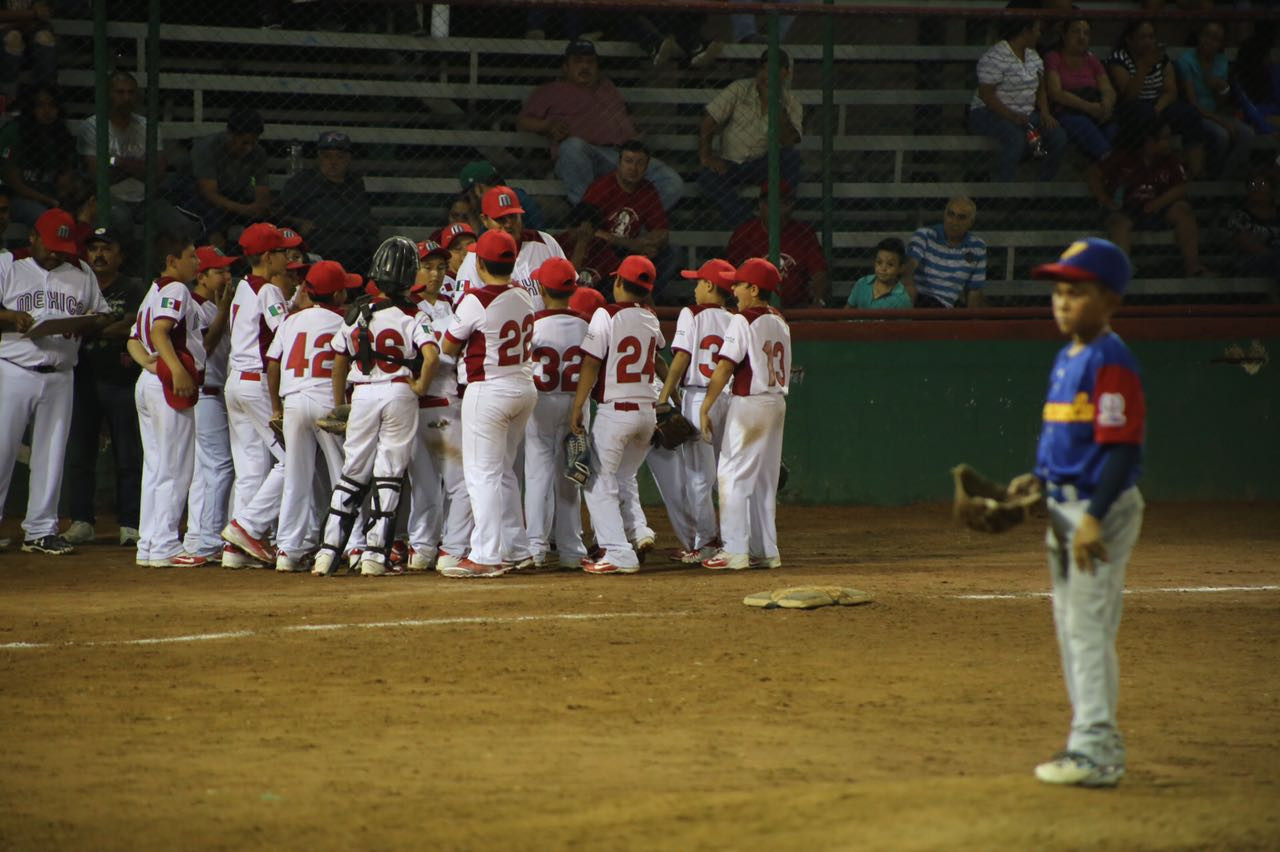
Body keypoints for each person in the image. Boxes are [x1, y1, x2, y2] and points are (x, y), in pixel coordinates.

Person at [1018, 237, 1146, 788]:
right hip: (1066, 508)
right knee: (1074, 630)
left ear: (1110, 299)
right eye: (1059, 291)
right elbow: (1063, 436)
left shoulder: (1109, 358)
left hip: (1099, 508)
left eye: (1078, 292)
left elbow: (1123, 448)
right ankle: (1091, 741)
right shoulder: (1069, 355)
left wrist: (1092, 515)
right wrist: (1037, 481)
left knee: (1088, 630)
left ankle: (1096, 750)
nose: (1063, 302)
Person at [311, 239, 435, 577]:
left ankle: (327, 554)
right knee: (390, 473)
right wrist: (422, 385)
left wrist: (341, 404)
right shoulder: (415, 314)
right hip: (399, 392)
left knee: (352, 472)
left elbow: (339, 360)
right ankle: (374, 556)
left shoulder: (356, 313)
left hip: (363, 394)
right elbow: (431, 355)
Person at [426, 229, 538, 578]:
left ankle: (487, 555)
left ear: (480, 262)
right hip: (522, 388)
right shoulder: (524, 296)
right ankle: (518, 550)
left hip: (489, 391)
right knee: (504, 472)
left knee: (482, 474)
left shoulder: (475, 299)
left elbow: (447, 347)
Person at [0, 209, 111, 556]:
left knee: (52, 453)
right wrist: (9, 316)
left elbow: (102, 313)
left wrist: (83, 323)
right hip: (14, 368)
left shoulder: (80, 271)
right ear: (32, 236)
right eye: (49, 245)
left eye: (61, 247)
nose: (55, 253)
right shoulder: (8, 264)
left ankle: (41, 530)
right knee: (1, 451)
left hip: (62, 371)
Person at [569, 255, 666, 575]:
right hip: (646, 414)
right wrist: (671, 399)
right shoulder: (650, 318)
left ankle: (617, 551)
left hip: (616, 413)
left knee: (598, 482)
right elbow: (659, 360)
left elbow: (592, 363)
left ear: (619, 283)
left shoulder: (604, 314)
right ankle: (638, 532)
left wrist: (577, 405)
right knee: (624, 477)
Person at [697, 258, 790, 572]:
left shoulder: (743, 319)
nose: (732, 288)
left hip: (750, 403)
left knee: (732, 475)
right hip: (776, 404)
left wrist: (705, 405)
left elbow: (725, 367)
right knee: (764, 481)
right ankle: (766, 551)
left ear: (753, 288)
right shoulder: (779, 319)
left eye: (738, 284)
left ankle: (735, 550)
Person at [517, 39, 684, 211]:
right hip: (583, 154)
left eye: (590, 62)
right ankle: (589, 218)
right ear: (565, 67)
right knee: (572, 146)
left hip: (619, 155)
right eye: (578, 62)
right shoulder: (551, 90)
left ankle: (625, 222)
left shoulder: (607, 86)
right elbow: (524, 120)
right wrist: (548, 125)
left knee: (672, 181)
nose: (585, 67)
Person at [124, 233, 209, 568]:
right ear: (173, 260)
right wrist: (174, 370)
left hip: (150, 382)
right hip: (166, 385)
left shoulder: (153, 290)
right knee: (175, 467)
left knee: (157, 466)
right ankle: (164, 546)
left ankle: (149, 543)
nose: (197, 262)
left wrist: (150, 363)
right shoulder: (176, 288)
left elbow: (133, 338)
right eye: (191, 256)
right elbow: (161, 330)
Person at [61, 226, 149, 547]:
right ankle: (82, 520)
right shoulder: (76, 285)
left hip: (121, 379)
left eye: (106, 248)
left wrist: (92, 326)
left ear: (120, 255)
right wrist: (102, 326)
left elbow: (132, 324)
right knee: (81, 453)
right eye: (94, 248)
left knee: (128, 455)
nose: (99, 254)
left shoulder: (135, 287)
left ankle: (130, 523)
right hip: (82, 376)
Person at [264, 260, 351, 573]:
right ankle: (349, 544)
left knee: (296, 479)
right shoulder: (343, 321)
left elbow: (272, 364)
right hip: (328, 401)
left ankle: (288, 549)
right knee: (343, 475)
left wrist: (276, 406)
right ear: (339, 293)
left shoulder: (291, 320)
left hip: (294, 402)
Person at [219, 222, 294, 568]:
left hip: (236, 382)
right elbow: (285, 334)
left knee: (250, 468)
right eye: (281, 251)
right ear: (267, 256)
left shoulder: (242, 287)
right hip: (258, 385)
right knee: (292, 459)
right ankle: (247, 526)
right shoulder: (267, 290)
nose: (286, 257)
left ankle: (235, 551)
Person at [656, 258, 736, 563]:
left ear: (711, 286)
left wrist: (666, 396)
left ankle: (706, 541)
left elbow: (680, 360)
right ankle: (732, 537)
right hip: (726, 399)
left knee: (698, 476)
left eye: (699, 281)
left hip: (696, 398)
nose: (695, 287)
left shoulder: (692, 314)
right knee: (725, 474)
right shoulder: (733, 318)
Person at [406, 240, 471, 573]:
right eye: (427, 266)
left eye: (441, 267)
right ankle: (438, 548)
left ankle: (431, 548)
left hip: (448, 402)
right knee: (436, 482)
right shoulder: (406, 307)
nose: (434, 274)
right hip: (425, 403)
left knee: (450, 481)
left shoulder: (452, 304)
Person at [524, 257, 590, 571]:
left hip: (541, 402)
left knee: (537, 474)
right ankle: (572, 549)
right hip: (576, 403)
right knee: (571, 475)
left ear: (541, 287)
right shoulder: (586, 324)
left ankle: (536, 547)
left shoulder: (532, 324)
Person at [1092, 117, 1211, 278]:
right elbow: (1092, 173)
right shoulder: (1123, 156)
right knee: (1117, 223)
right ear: (1149, 142)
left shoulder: (1169, 159)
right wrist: (1105, 199)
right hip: (1127, 208)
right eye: (1164, 139)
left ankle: (1193, 266)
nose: (1169, 143)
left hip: (1159, 209)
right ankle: (1122, 272)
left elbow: (1182, 186)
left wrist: (1159, 202)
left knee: (1183, 210)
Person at [698, 50, 804, 227]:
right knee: (706, 177)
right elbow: (710, 119)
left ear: (784, 73)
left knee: (791, 158)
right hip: (730, 163)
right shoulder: (740, 88)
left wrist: (775, 103)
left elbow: (788, 141)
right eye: (763, 69)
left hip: (764, 164)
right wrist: (706, 155)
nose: (766, 75)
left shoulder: (791, 101)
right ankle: (748, 225)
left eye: (772, 70)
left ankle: (778, 215)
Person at [966, 4, 1067, 182]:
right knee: (1015, 138)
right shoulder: (995, 56)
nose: (1039, 33)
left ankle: (1041, 189)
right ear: (1024, 30)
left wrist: (1044, 112)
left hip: (1025, 113)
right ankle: (1004, 193)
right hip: (988, 113)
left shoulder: (1033, 56)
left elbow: (1041, 88)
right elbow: (986, 95)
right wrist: (1011, 116)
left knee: (1058, 135)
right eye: (1036, 29)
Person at [180, 245, 237, 562]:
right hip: (205, 393)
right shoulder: (195, 306)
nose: (227, 276)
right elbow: (204, 347)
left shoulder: (212, 307)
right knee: (219, 467)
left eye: (228, 270)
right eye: (219, 271)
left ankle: (197, 537)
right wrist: (226, 310)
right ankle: (210, 540)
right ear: (201, 276)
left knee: (204, 471)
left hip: (214, 394)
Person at [1106, 19, 1207, 178]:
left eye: (1151, 37)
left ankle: (1197, 173)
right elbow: (1129, 95)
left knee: (1190, 113)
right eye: (1142, 37)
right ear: (1129, 40)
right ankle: (1141, 173)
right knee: (1144, 114)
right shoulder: (1119, 58)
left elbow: (1171, 91)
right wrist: (1144, 67)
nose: (1148, 42)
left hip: (1158, 103)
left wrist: (1158, 108)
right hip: (1130, 106)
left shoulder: (1161, 58)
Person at [451, 185, 566, 311]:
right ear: (484, 220)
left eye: (513, 216)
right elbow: (463, 311)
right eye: (500, 219)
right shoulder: (475, 258)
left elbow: (569, 288)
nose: (509, 223)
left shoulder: (545, 242)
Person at [76, 70, 165, 231]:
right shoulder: (91, 127)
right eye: (120, 92)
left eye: (131, 93)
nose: (126, 98)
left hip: (145, 198)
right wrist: (138, 167)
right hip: (108, 198)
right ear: (108, 94)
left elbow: (157, 174)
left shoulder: (148, 126)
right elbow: (98, 177)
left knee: (175, 222)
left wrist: (117, 162)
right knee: (121, 220)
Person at [278, 130, 377, 274]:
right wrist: (298, 222)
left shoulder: (355, 183)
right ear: (319, 157)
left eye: (339, 157)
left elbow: (365, 217)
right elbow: (277, 213)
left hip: (356, 250)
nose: (333, 162)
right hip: (320, 246)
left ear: (348, 159)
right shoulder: (302, 182)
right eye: (327, 156)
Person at [1175, 20, 1256, 179]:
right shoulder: (1185, 61)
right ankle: (1212, 179)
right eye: (1206, 35)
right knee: (1222, 135)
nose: (1209, 41)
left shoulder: (1221, 62)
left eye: (1216, 39)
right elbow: (1192, 103)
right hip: (1196, 115)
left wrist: (1221, 88)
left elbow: (1222, 103)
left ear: (1221, 44)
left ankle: (1225, 179)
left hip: (1217, 113)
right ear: (1199, 36)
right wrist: (1222, 121)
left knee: (1248, 134)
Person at [725, 180, 827, 307]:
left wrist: (818, 300)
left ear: (791, 206)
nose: (776, 209)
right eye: (770, 203)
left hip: (795, 306)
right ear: (760, 204)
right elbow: (730, 273)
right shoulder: (745, 233)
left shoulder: (803, 233)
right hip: (754, 305)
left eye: (783, 203)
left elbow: (818, 271)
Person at [1045, 17, 1118, 174]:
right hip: (1068, 111)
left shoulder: (1092, 60)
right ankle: (1111, 166)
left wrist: (1106, 104)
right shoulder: (1054, 57)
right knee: (1081, 123)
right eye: (1076, 32)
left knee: (1112, 128)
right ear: (1064, 35)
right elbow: (1056, 93)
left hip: (1095, 110)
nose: (1081, 37)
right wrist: (1088, 107)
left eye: (1086, 33)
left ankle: (1097, 171)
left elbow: (1107, 88)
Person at [186, 108, 271, 242]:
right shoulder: (207, 148)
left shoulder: (258, 153)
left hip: (234, 196)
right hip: (197, 197)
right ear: (230, 135)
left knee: (267, 220)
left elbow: (262, 191)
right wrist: (244, 209)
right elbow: (208, 192)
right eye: (244, 143)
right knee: (212, 220)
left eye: (253, 143)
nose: (249, 149)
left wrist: (258, 206)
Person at [0, 85, 79, 226]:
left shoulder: (61, 135)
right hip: (17, 199)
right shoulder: (14, 132)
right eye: (40, 105)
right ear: (31, 107)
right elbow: (13, 183)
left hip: (51, 196)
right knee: (47, 218)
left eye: (52, 105)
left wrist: (64, 193)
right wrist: (48, 201)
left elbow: (66, 177)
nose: (47, 111)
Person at [904, 197, 988, 308]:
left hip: (945, 307)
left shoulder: (978, 247)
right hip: (920, 299)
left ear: (971, 222)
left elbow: (974, 291)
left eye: (961, 217)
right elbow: (908, 270)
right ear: (944, 215)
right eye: (951, 214)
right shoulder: (925, 235)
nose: (954, 221)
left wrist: (972, 323)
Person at [457, 159, 546, 234]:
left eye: (470, 195)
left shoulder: (517, 198)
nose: (471, 200)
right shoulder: (519, 196)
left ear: (479, 188)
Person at [1224, 172, 1280, 281]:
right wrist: (1273, 254)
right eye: (1253, 184)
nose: (1257, 188)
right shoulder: (1239, 215)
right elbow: (1245, 242)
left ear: (1272, 190)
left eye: (1263, 184)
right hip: (1252, 259)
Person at [0, 0, 56, 99]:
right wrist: (33, 14)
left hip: (31, 31)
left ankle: (43, 95)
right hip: (7, 35)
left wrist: (14, 19)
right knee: (13, 39)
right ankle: (8, 98)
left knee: (44, 38)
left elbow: (44, 12)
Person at [846, 238, 912, 309]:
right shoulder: (862, 283)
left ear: (901, 268)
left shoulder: (903, 300)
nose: (883, 268)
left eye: (890, 264)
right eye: (879, 262)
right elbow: (847, 311)